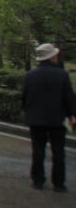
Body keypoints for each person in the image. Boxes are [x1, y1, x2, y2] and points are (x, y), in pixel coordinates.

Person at [22, 42, 75, 192]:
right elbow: (68, 97)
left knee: (38, 150)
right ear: (52, 57)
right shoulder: (62, 75)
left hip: (36, 119)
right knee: (58, 151)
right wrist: (72, 115)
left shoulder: (31, 75)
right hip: (56, 119)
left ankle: (38, 180)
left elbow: (25, 97)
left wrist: (28, 112)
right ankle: (59, 183)